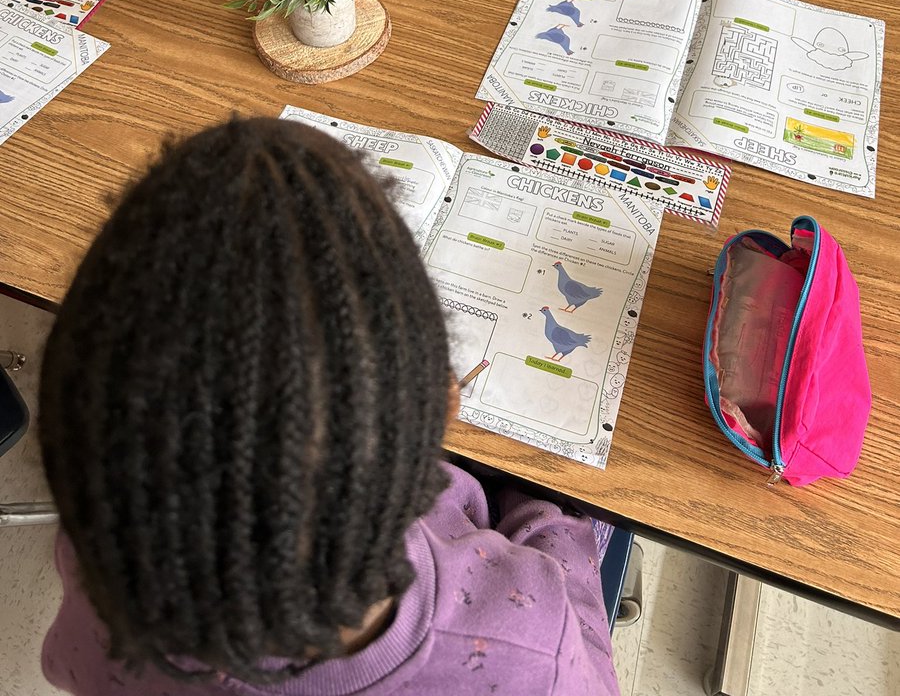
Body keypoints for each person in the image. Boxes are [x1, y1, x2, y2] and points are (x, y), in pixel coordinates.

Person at [39, 118, 621, 696]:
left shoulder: (105, 569)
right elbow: (588, 657)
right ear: (445, 411)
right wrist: (546, 516)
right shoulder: (525, 639)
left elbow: (65, 667)